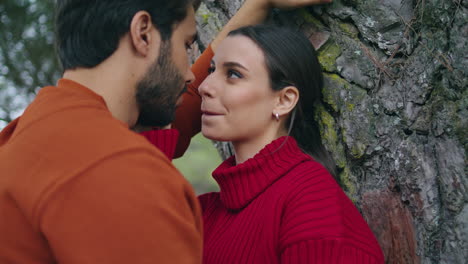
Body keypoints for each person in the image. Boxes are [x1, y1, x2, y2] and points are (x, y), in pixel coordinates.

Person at [0, 0, 330, 263]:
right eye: (187, 44)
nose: (192, 76)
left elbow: (174, 111)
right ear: (143, 33)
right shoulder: (119, 170)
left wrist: (257, 6)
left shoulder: (31, 134)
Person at [163, 25, 384, 263]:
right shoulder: (205, 213)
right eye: (212, 70)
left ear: (283, 100)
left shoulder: (314, 209)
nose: (205, 86)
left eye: (234, 74)